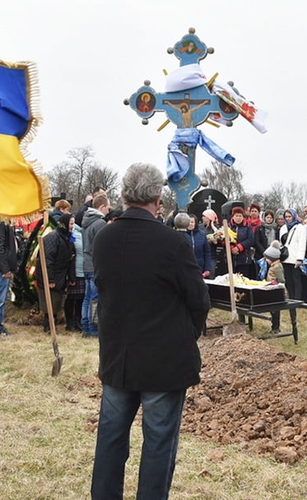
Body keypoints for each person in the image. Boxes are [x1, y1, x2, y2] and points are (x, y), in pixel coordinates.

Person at [89, 163, 210, 500]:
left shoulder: (104, 238)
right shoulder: (172, 243)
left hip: (119, 357)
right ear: (158, 198)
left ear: (125, 194)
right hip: (163, 361)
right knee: (158, 444)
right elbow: (198, 300)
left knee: (110, 440)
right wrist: (189, 333)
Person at [81, 194, 110, 338]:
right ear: (102, 207)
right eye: (107, 208)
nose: (108, 212)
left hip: (86, 264)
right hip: (95, 264)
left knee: (87, 298)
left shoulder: (86, 221)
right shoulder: (99, 223)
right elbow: (104, 246)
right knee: (95, 298)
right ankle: (93, 329)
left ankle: (85, 326)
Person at [39, 214, 75, 332]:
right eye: (70, 223)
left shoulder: (67, 237)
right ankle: (48, 327)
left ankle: (52, 326)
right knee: (51, 302)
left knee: (57, 301)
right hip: (52, 274)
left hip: (60, 274)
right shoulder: (53, 237)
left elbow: (70, 258)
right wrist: (50, 279)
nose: (72, 226)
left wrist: (71, 277)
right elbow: (47, 259)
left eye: (73, 223)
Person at [176, 212, 214, 278]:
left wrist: (207, 268)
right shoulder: (181, 234)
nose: (190, 224)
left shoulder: (202, 235)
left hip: (199, 268)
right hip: (185, 268)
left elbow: (207, 252)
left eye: (192, 222)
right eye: (188, 222)